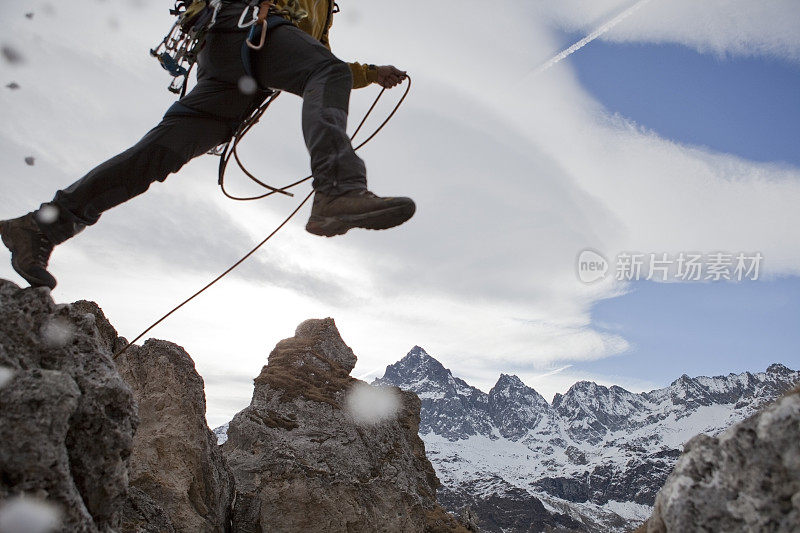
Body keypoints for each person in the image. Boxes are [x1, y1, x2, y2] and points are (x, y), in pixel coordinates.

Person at [0, 0, 415, 290]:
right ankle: (338, 188)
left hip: (230, 59)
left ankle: (41, 226)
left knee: (156, 155)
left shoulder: (320, 11)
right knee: (327, 74)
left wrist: (372, 72)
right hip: (245, 27)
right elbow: (324, 70)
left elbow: (318, 60)